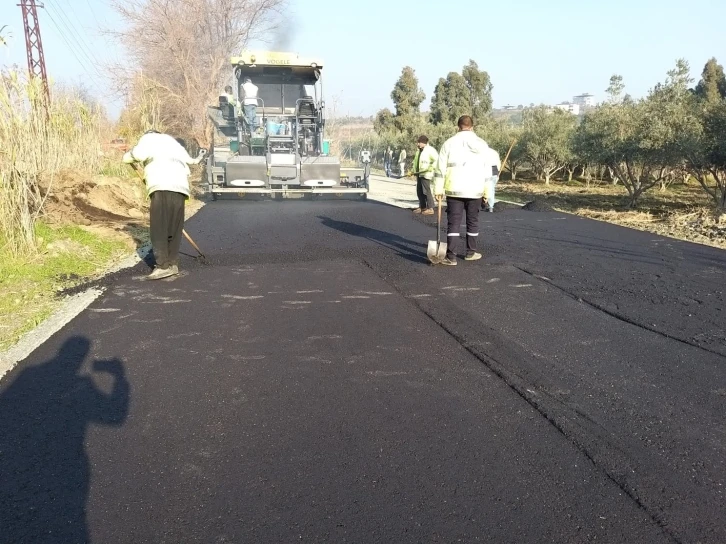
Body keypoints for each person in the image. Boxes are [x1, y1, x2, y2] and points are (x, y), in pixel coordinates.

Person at [122, 130, 206, 280]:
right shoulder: (172, 142)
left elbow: (136, 156)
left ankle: (162, 266)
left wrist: (126, 156)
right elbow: (191, 161)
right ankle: (172, 264)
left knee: (159, 228)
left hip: (162, 186)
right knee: (174, 227)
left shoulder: (148, 139)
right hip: (181, 188)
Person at [433, 115, 499, 266]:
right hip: (475, 191)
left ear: (458, 126)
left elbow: (440, 169)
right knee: (472, 222)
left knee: (453, 223)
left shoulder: (448, 143)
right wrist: (487, 193)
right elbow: (488, 173)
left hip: (454, 190)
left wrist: (438, 189)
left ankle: (451, 257)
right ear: (472, 126)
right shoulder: (482, 145)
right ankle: (471, 252)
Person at [408, 135, 438, 215]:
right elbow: (416, 162)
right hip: (419, 174)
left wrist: (431, 168)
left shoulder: (430, 150)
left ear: (424, 142)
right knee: (419, 191)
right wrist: (412, 171)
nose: (418, 144)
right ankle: (422, 207)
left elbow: (436, 160)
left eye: (419, 142)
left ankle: (431, 208)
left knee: (426, 191)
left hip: (426, 173)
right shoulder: (419, 151)